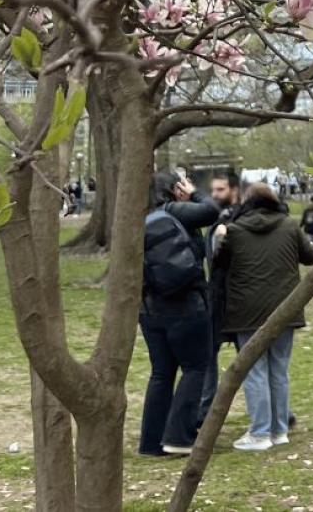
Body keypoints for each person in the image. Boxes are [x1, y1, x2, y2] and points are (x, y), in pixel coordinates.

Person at [216, 183, 313, 451]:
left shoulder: (235, 231)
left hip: (247, 311)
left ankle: (260, 432)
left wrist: (220, 237)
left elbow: (219, 262)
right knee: (279, 370)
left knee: (254, 372)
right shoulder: (289, 226)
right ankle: (279, 430)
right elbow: (312, 256)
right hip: (285, 309)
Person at [139, 170, 219, 457]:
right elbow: (212, 211)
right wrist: (194, 192)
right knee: (195, 367)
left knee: (161, 373)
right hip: (186, 305)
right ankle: (178, 437)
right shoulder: (174, 211)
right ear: (174, 188)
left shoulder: (135, 218)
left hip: (149, 309)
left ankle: (151, 441)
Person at [198, 172, 241, 428]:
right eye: (213, 190)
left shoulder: (239, 219)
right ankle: (205, 411)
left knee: (250, 355)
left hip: (237, 299)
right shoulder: (215, 220)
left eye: (221, 190)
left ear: (234, 190)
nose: (215, 195)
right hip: (215, 298)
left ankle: (278, 410)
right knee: (208, 355)